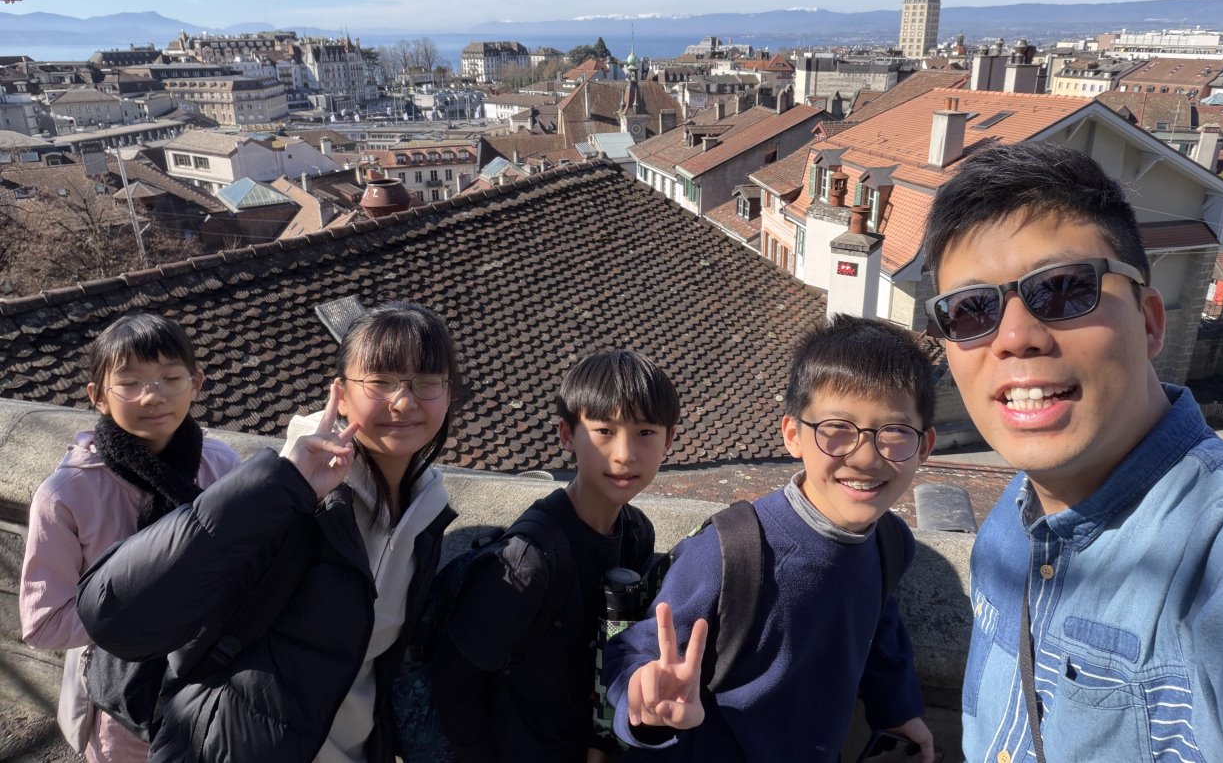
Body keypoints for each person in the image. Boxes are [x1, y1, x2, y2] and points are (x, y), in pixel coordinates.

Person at [921, 142, 1223, 762]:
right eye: (972, 310)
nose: (1016, 337)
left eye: (1063, 289)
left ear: (1149, 321)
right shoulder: (1008, 529)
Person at [77, 301, 460, 762]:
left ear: (448, 393)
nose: (404, 401)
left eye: (426, 382)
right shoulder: (292, 499)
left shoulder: (424, 512)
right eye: (380, 382)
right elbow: (112, 613)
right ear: (340, 394)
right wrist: (279, 486)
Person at [604, 315, 937, 762]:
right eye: (837, 429)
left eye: (894, 432)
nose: (864, 457)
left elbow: (877, 623)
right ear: (793, 436)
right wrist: (644, 697)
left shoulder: (889, 544)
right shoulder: (731, 553)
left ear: (925, 445)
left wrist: (897, 713)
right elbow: (634, 652)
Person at [433, 349, 679, 762]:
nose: (624, 453)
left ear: (668, 440)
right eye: (604, 431)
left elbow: (616, 650)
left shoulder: (636, 533)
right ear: (567, 435)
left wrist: (601, 741)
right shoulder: (527, 562)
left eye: (645, 432)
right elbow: (455, 685)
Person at [19, 312, 240, 762]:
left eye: (170, 378)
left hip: (215, 688)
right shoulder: (69, 493)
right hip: (121, 705)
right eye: (130, 383)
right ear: (98, 396)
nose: (153, 395)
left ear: (196, 383)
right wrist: (152, 613)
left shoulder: (222, 467)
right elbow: (43, 621)